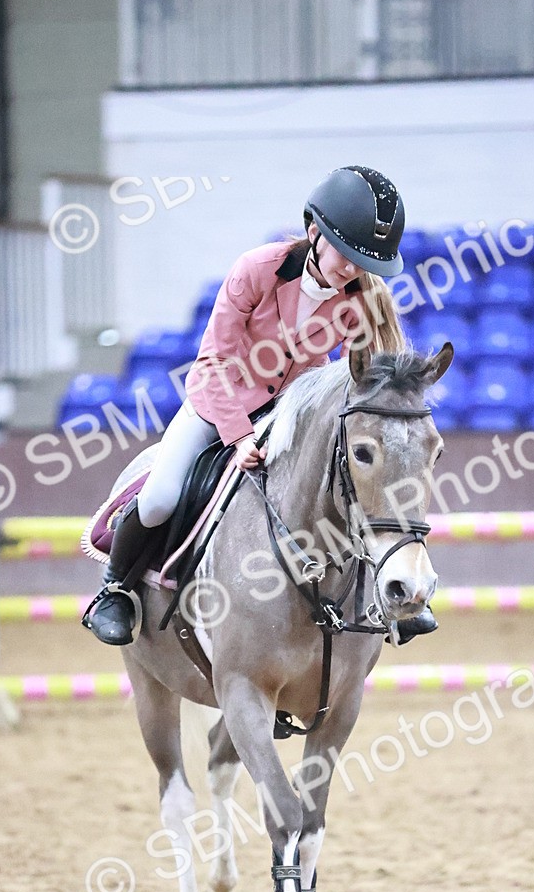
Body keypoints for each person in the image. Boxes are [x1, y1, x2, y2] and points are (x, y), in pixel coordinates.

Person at [82, 165, 437, 647]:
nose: (352, 268)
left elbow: (378, 382)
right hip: (217, 404)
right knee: (163, 494)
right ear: (315, 231)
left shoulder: (362, 300)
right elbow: (211, 362)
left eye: (363, 260)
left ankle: (396, 595)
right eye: (347, 253)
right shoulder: (257, 268)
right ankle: (116, 591)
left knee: (346, 493)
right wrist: (237, 434)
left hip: (291, 413)